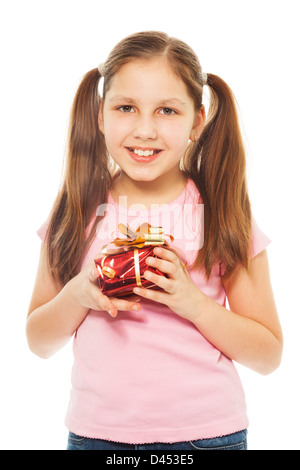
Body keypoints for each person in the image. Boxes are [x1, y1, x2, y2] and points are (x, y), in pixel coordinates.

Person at [26, 31, 283, 451]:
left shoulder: (223, 213)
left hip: (208, 438)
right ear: (100, 115)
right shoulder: (74, 213)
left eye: (167, 110)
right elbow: (38, 342)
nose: (145, 129)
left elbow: (268, 354)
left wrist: (191, 301)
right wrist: (79, 294)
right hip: (97, 438)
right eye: (126, 107)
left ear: (197, 121)